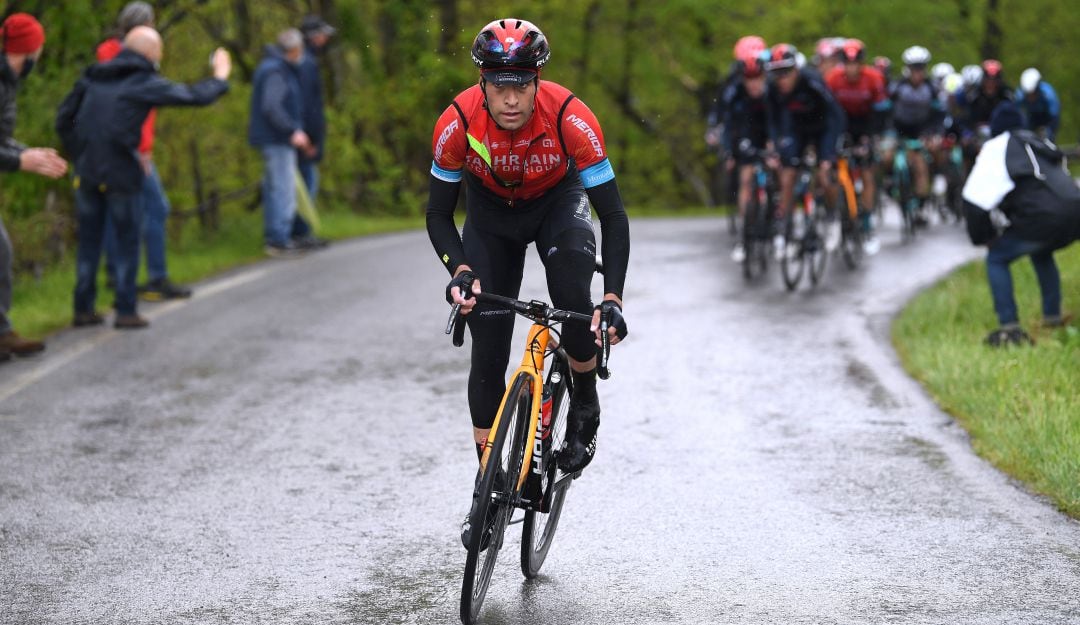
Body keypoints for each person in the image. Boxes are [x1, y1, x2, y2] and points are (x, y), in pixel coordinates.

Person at [426, 18, 629, 547]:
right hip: (491, 218)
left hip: (556, 208)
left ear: (538, 81)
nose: (510, 99)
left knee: (571, 300)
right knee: (487, 350)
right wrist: (460, 271)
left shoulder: (571, 117)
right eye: (499, 85)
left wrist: (612, 298)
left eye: (521, 84)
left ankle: (584, 399)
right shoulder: (455, 121)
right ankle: (487, 487)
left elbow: (613, 214)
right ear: (482, 83)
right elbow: (437, 215)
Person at [56, 27, 231, 329]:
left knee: (89, 241)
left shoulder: (93, 76)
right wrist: (219, 76)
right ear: (150, 53)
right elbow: (191, 96)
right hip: (122, 170)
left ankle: (82, 309)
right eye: (159, 51)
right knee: (127, 240)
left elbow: (63, 118)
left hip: (86, 169)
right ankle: (125, 310)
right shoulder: (142, 82)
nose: (160, 57)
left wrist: (81, 151)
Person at [962, 102, 1079, 346]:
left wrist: (984, 237)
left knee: (997, 257)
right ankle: (1053, 318)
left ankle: (1010, 327)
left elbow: (974, 199)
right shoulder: (1039, 142)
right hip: (1075, 210)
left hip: (1042, 216)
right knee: (1041, 250)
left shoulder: (997, 146)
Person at [97, 2, 192, 300]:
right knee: (156, 207)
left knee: (120, 210)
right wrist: (142, 149)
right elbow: (134, 111)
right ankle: (157, 276)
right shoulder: (131, 61)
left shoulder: (108, 58)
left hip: (113, 147)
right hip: (132, 149)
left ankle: (117, 274)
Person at [0, 13, 67, 360]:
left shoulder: (8, 82)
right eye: (38, 50)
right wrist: (19, 161)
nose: (39, 57)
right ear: (27, 51)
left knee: (1, 251)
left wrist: (27, 152)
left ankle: (2, 333)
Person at [765, 43, 846, 256]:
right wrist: (775, 145)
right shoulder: (773, 89)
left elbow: (836, 114)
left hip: (823, 129)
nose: (781, 79)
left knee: (825, 173)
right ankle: (786, 228)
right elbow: (772, 121)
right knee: (787, 175)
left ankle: (832, 218)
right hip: (797, 130)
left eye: (786, 72)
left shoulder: (812, 81)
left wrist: (830, 152)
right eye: (776, 73)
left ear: (796, 70)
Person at [248, 29, 311, 257]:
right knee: (282, 189)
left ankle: (277, 237)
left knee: (276, 188)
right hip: (277, 140)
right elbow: (272, 106)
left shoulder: (274, 67)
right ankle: (278, 239)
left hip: (274, 139)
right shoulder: (276, 71)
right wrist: (292, 130)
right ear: (293, 50)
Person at [825, 38, 890, 254]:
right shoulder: (833, 78)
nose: (852, 69)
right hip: (842, 124)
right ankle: (834, 216)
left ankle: (868, 223)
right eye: (848, 64)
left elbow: (880, 111)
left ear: (862, 63)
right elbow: (828, 112)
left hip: (866, 124)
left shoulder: (873, 78)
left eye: (856, 64)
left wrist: (871, 138)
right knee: (834, 170)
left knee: (868, 174)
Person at [290, 15, 336, 250]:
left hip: (302, 135)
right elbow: (308, 105)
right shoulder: (306, 62)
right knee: (306, 183)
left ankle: (299, 231)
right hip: (305, 138)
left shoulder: (305, 60)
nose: (325, 39)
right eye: (322, 34)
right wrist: (312, 138)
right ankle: (301, 232)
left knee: (303, 182)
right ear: (313, 36)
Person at [721, 55, 772, 263]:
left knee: (778, 170)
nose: (753, 83)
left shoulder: (772, 94)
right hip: (746, 137)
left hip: (769, 136)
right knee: (745, 180)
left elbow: (781, 122)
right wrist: (730, 152)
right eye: (749, 79)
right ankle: (744, 232)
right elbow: (729, 126)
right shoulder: (736, 95)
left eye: (757, 78)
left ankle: (775, 215)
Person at [1016, 68, 1060, 142]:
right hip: (1030, 118)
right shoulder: (1019, 96)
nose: (1030, 97)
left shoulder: (1049, 95)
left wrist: (1049, 132)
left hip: (1047, 118)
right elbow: (1017, 115)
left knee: (1048, 137)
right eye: (1028, 95)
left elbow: (1054, 118)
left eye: (1032, 94)